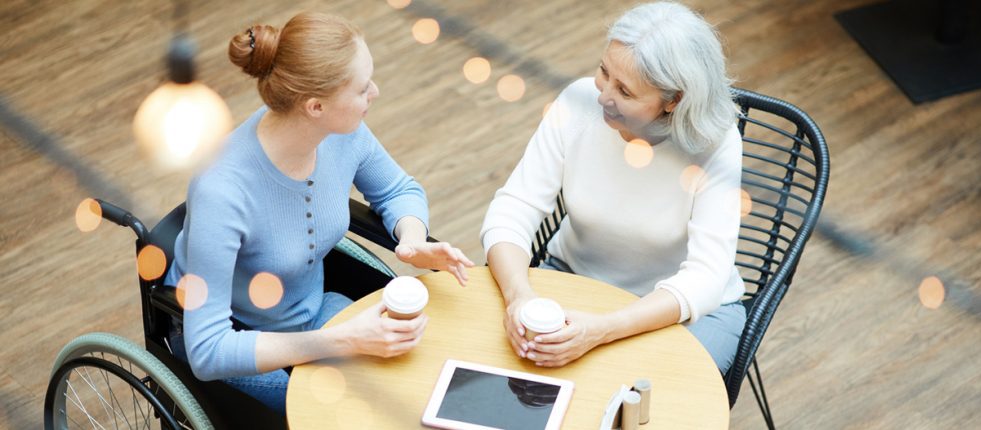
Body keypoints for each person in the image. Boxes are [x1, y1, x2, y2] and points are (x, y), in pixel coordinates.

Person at [164, 12, 474, 414]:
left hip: (312, 313)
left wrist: (411, 242)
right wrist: (344, 340)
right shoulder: (222, 191)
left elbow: (399, 189)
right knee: (345, 412)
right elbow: (209, 350)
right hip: (239, 338)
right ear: (315, 106)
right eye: (363, 88)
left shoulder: (342, 133)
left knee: (408, 382)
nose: (375, 92)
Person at [480, 1, 745, 374]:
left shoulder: (716, 144)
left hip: (684, 310)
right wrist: (518, 297)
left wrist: (602, 330)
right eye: (604, 72)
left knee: (647, 399)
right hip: (573, 277)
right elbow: (513, 209)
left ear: (674, 100)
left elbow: (705, 278)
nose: (603, 96)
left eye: (625, 91)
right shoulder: (578, 102)